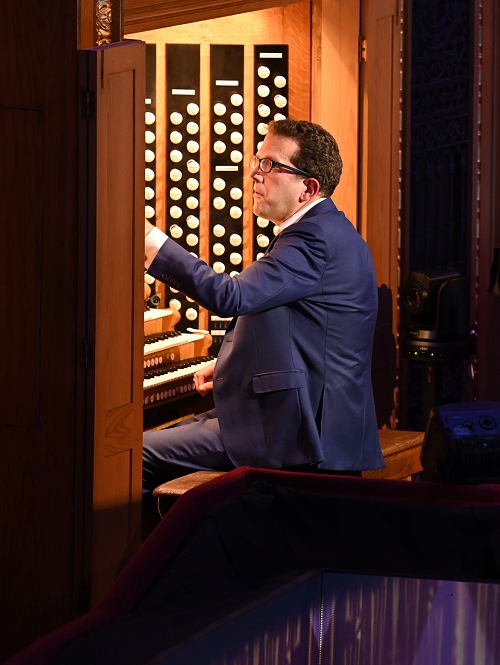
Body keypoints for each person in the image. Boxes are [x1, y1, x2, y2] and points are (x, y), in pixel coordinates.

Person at [142, 119, 385, 502]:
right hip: (293, 417)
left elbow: (230, 297)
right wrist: (231, 364)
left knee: (132, 454)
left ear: (308, 188)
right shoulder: (329, 230)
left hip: (295, 433)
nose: (255, 173)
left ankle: (152, 561)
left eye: (270, 165)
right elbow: (302, 330)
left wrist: (150, 242)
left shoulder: (313, 240)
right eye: (257, 161)